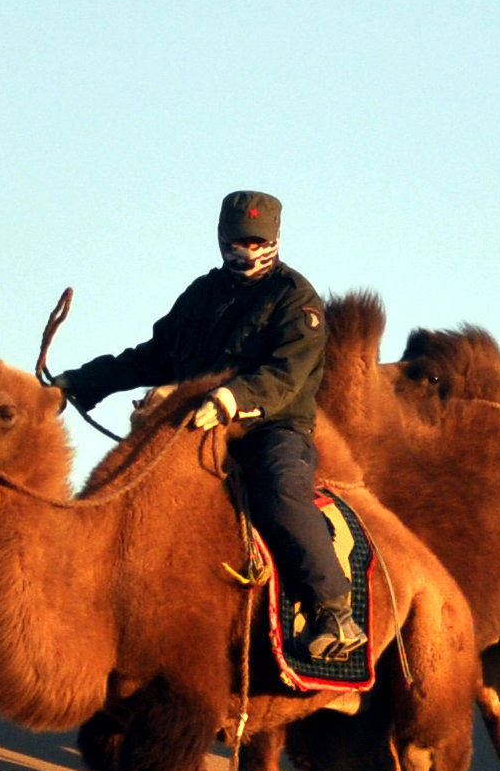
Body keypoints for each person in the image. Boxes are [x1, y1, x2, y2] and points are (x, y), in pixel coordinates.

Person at [51, 189, 362, 665]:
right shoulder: (202, 295)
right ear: (221, 238)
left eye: (257, 241)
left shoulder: (296, 300)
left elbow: (287, 374)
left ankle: (333, 609)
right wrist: (79, 384)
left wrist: (232, 399)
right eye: (238, 240)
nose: (248, 250)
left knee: (279, 487)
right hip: (197, 425)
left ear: (276, 239)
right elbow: (153, 357)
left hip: (270, 428)